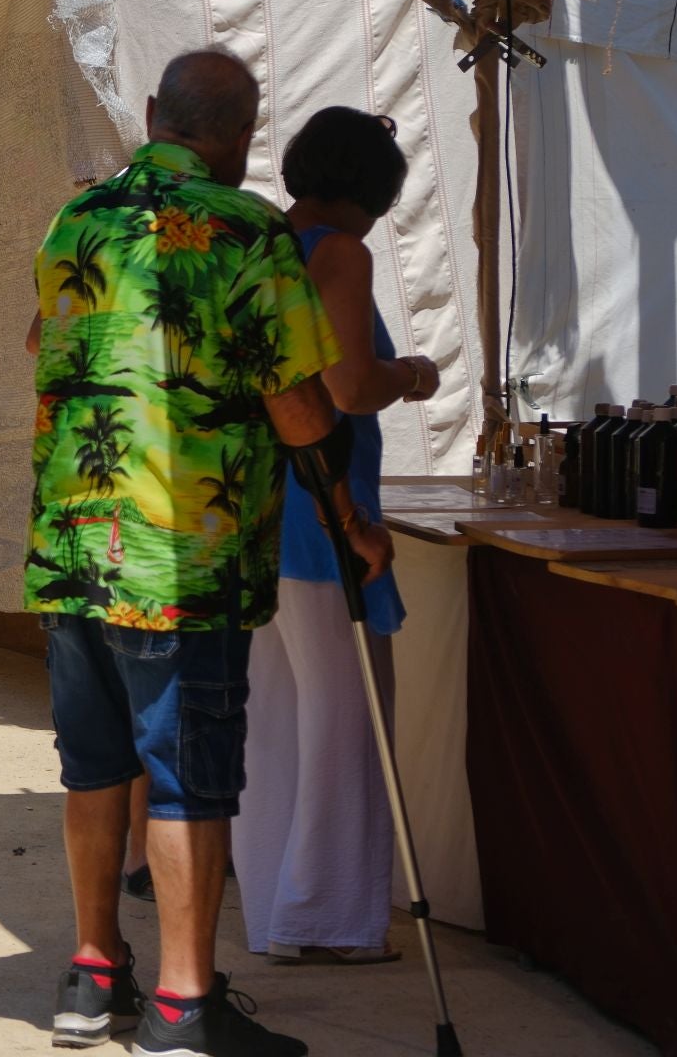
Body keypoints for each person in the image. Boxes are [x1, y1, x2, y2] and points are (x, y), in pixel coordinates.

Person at [26, 51, 392, 1057]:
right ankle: (185, 1003)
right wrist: (353, 522)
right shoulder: (246, 231)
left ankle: (93, 972)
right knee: (189, 777)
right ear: (241, 139)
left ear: (153, 116)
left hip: (71, 549)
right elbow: (298, 402)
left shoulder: (75, 220)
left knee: (94, 767)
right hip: (182, 558)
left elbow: (42, 341)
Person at [231, 108, 440, 970]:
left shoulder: (263, 240)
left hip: (252, 508)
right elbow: (348, 387)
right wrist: (412, 374)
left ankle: (280, 901)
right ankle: (324, 918)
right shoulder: (336, 252)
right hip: (321, 513)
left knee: (276, 720)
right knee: (347, 720)